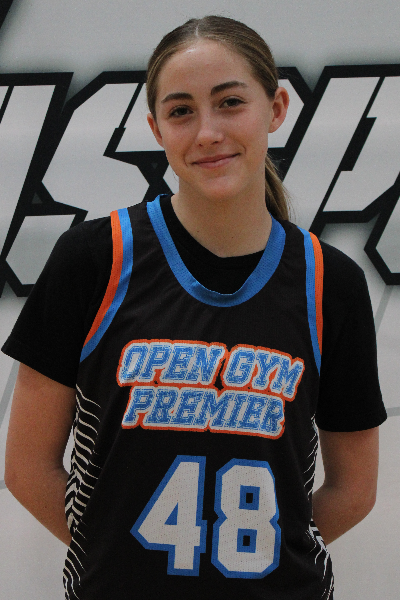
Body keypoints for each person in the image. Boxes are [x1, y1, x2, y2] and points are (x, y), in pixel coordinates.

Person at [3, 15, 386, 600]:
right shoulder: (93, 259)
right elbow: (27, 467)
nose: (207, 132)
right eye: (181, 111)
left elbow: (354, 490)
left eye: (230, 102)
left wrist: (254, 560)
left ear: (276, 108)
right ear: (155, 128)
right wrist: (117, 559)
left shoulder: (330, 283)